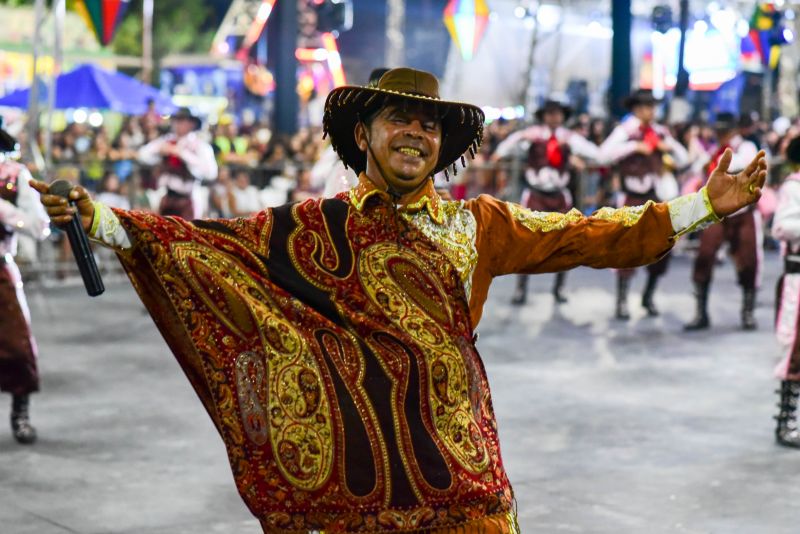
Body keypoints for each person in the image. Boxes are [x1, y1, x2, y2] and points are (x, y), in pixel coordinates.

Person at [32, 68, 767, 533]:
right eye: (399, 119)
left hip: (459, 466)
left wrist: (703, 204)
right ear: (366, 134)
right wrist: (102, 220)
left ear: (443, 147)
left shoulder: (481, 225)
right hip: (352, 481)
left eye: (430, 124)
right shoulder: (305, 228)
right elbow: (203, 243)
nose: (416, 131)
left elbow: (594, 234)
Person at [492, 99, 603, 304]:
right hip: (535, 196)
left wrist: (576, 157)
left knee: (565, 242)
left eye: (558, 113)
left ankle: (559, 288)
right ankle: (521, 289)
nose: (554, 117)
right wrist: (500, 153)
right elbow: (508, 146)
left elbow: (597, 155)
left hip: (560, 197)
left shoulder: (570, 138)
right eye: (550, 113)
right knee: (526, 242)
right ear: (544, 116)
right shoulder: (531, 134)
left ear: (562, 116)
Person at [600, 89, 690, 319]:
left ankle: (648, 294)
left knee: (663, 246)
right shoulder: (625, 131)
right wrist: (633, 147)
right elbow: (604, 155)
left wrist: (666, 147)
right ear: (635, 109)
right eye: (644, 106)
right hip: (630, 197)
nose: (649, 111)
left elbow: (683, 157)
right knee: (625, 247)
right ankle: (621, 300)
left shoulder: (659, 132)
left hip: (655, 197)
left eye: (651, 106)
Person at [684, 113, 761, 331]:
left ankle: (747, 312)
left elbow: (745, 163)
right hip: (716, 212)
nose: (721, 134)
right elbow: (694, 169)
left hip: (741, 212)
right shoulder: (713, 151)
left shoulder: (744, 147)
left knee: (748, 261)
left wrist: (715, 162)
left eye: (724, 130)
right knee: (705, 256)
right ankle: (701, 312)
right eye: (718, 130)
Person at [0, 120, 50, 444]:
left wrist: (3, 210)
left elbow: (40, 225)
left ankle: (21, 412)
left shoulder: (14, 174)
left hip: (0, 266)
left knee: (18, 346)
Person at [769, 136, 800, 448]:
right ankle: (785, 420)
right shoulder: (794, 187)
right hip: (798, 278)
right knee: (795, 350)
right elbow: (782, 227)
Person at [137, 107, 217, 219]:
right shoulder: (167, 141)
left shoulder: (200, 145)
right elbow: (143, 154)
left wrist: (183, 154)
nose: (179, 124)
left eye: (183, 120)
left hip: (188, 199)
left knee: (188, 234)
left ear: (192, 124)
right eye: (177, 120)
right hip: (167, 197)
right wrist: (161, 150)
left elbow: (211, 172)